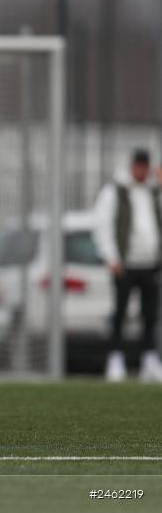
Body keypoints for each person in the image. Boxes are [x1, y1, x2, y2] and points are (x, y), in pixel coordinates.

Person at [93, 148, 162, 382]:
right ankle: (115, 360)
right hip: (125, 264)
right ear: (132, 166)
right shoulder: (115, 190)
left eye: (145, 166)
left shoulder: (153, 190)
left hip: (150, 263)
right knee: (120, 314)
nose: (142, 171)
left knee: (150, 315)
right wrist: (111, 257)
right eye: (139, 166)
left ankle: (149, 360)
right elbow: (102, 224)